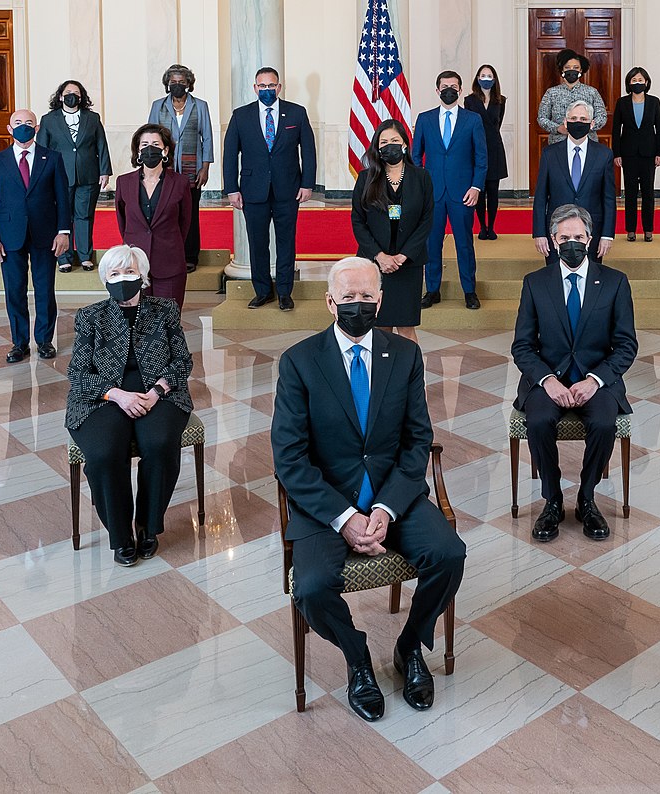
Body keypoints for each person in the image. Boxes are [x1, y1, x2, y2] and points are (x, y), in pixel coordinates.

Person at [272, 256, 467, 722]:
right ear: (329, 302)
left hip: (392, 494)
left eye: (366, 297)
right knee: (314, 587)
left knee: (449, 555)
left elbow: (417, 439)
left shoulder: (404, 356)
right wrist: (345, 517)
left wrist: (385, 507)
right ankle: (358, 657)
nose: (357, 305)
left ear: (380, 300)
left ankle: (409, 646)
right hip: (326, 503)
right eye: (348, 297)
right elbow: (289, 458)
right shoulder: (299, 362)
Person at [512, 204, 637, 543]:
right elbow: (522, 346)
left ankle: (586, 496)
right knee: (537, 421)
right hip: (548, 378)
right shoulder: (535, 283)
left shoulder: (614, 282)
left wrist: (595, 380)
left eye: (578, 237)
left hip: (597, 378)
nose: (571, 243)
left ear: (590, 238)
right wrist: (548, 380)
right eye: (564, 237)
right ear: (553, 241)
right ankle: (552, 499)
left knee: (603, 422)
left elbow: (626, 345)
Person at [65, 245, 194, 567]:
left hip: (157, 393)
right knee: (105, 453)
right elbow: (77, 373)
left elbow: (182, 361)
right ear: (104, 279)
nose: (123, 279)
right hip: (103, 397)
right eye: (115, 273)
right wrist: (116, 394)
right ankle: (120, 534)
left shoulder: (165, 310)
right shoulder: (90, 316)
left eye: (130, 272)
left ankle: (148, 526)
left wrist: (157, 391)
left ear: (144, 276)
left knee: (160, 443)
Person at [223, 66, 317, 311]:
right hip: (253, 192)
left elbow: (307, 151)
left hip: (288, 190)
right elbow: (230, 155)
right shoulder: (241, 115)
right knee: (257, 243)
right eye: (262, 86)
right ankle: (263, 291)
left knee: (286, 243)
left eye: (271, 85)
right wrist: (231, 188)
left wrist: (308, 183)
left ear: (279, 87)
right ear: (255, 88)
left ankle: (285, 292)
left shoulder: (296, 113)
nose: (267, 90)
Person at [0, 108, 71, 363]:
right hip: (9, 236)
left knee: (44, 289)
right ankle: (19, 343)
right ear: (9, 129)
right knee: (14, 290)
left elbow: (62, 199)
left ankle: (44, 340)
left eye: (29, 122)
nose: (24, 126)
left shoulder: (52, 158)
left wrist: (63, 232)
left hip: (45, 233)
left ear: (37, 128)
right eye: (18, 122)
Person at [352, 119, 434, 342]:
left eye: (395, 141)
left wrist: (403, 256)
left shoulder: (422, 177)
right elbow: (358, 222)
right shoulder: (366, 178)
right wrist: (380, 256)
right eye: (384, 141)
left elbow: (426, 220)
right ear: (377, 148)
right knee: (380, 326)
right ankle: (382, 374)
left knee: (406, 328)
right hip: (376, 264)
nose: (390, 145)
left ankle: (411, 375)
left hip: (408, 264)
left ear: (405, 144)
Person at [412, 70, 487, 310]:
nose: (449, 90)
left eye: (454, 86)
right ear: (437, 91)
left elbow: (481, 158)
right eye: (445, 86)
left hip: (463, 193)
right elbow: (415, 156)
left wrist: (476, 187)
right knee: (432, 244)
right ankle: (432, 290)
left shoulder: (472, 119)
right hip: (432, 194)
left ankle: (469, 291)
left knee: (464, 243)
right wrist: (421, 185)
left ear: (461, 90)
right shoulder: (424, 119)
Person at [114, 124, 195, 308]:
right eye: (144, 144)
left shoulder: (180, 182)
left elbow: (185, 222)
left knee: (168, 321)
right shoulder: (124, 182)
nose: (149, 148)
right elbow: (122, 221)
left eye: (155, 144)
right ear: (138, 151)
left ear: (165, 150)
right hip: (134, 265)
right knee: (137, 320)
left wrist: (169, 243)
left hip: (169, 262)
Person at [147, 64, 215, 272]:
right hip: (164, 169)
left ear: (189, 85)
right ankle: (166, 254)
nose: (177, 85)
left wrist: (205, 168)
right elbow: (149, 137)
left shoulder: (200, 106)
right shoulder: (158, 106)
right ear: (168, 84)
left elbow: (208, 137)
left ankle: (190, 256)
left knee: (190, 213)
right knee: (165, 212)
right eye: (173, 82)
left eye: (181, 82)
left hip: (191, 169)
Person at [37, 80, 111, 271]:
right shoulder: (48, 119)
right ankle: (64, 258)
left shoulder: (92, 118)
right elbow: (42, 149)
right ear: (61, 96)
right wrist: (42, 175)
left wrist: (104, 171)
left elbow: (101, 145)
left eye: (76, 92)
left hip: (88, 175)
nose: (72, 95)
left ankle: (86, 256)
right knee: (62, 216)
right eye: (68, 92)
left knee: (84, 216)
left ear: (81, 97)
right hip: (58, 176)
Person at [532, 101, 617, 265]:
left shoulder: (604, 154)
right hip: (557, 232)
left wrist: (607, 235)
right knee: (555, 279)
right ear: (565, 122)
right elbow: (541, 197)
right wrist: (539, 233)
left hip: (591, 231)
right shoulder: (549, 154)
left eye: (583, 119)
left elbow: (608, 199)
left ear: (592, 124)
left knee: (590, 280)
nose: (578, 122)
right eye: (574, 118)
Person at [611, 66, 660, 242]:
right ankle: (631, 230)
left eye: (640, 80)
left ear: (646, 82)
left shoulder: (654, 102)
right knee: (631, 194)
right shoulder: (622, 102)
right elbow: (615, 130)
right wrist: (616, 153)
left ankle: (648, 229)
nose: (637, 83)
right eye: (634, 80)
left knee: (648, 193)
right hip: (628, 154)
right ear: (629, 83)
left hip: (649, 154)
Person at [464, 64, 508, 240]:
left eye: (489, 75)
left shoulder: (501, 100)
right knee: (480, 191)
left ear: (495, 79)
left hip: (495, 148)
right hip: (476, 148)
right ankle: (482, 226)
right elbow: (467, 125)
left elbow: (498, 123)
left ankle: (492, 226)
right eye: (483, 75)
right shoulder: (470, 100)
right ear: (477, 78)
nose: (486, 78)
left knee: (493, 190)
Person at [537, 48, 607, 145]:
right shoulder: (551, 93)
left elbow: (602, 117)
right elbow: (542, 118)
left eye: (575, 67)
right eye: (567, 67)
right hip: (558, 143)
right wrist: (558, 128)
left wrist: (587, 127)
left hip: (588, 142)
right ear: (562, 70)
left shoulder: (592, 92)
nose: (571, 70)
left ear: (581, 70)